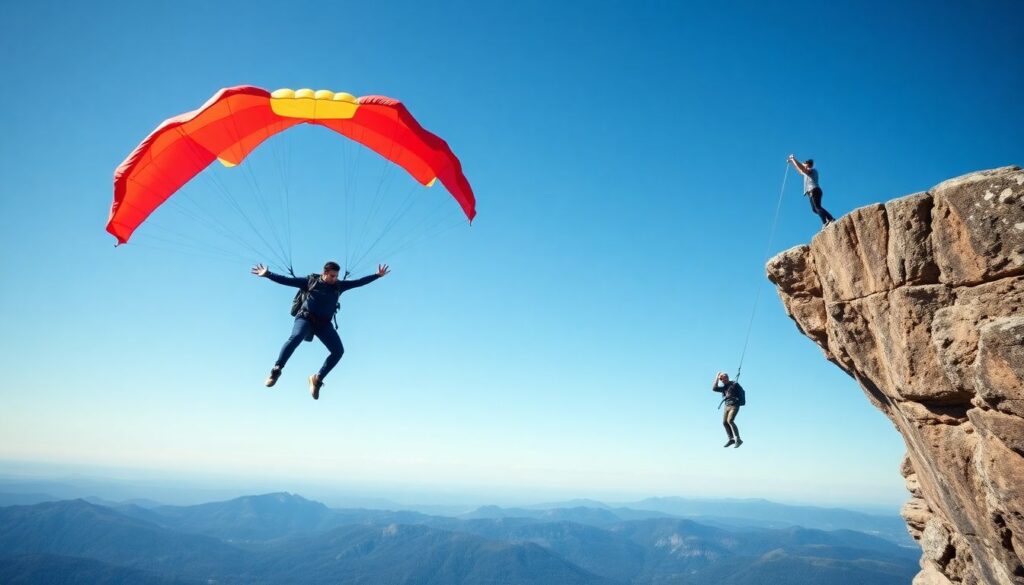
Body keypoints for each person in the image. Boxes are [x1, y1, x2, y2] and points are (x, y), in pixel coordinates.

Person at [252, 261, 390, 400]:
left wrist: (377, 275)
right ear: (324, 273)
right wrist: (268, 274)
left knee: (338, 351)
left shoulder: (338, 286)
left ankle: (317, 379)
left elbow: (358, 282)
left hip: (324, 324)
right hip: (305, 318)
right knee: (296, 337)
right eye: (332, 276)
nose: (335, 278)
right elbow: (287, 281)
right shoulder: (310, 281)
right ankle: (276, 370)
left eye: (336, 276)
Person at [787, 155, 835, 228]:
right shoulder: (806, 172)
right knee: (815, 209)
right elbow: (799, 169)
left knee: (817, 207)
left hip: (814, 190)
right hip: (811, 192)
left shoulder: (811, 170)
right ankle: (828, 220)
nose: (803, 164)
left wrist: (794, 158)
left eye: (805, 163)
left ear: (808, 164)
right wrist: (792, 162)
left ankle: (828, 221)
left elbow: (802, 168)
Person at [712, 372, 744, 448]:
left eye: (724, 378)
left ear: (727, 377)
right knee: (724, 422)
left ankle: (738, 439)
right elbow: (714, 388)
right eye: (722, 379)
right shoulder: (724, 387)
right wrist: (717, 377)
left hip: (734, 405)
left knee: (730, 420)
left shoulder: (734, 384)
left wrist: (738, 400)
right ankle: (731, 439)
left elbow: (741, 392)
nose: (723, 380)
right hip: (726, 406)